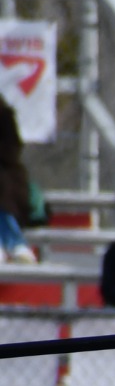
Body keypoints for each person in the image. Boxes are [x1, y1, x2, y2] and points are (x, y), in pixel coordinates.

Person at [0, 101, 38, 264]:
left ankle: (14, 243)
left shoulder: (4, 116)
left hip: (6, 181)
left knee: (1, 189)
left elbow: (11, 151)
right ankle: (15, 244)